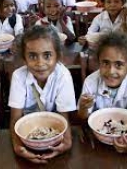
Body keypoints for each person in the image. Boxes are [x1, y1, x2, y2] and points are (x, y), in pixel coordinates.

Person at [8, 25, 76, 164]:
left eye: (47, 55)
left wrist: (67, 143)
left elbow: (64, 115)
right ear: (24, 58)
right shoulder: (19, 76)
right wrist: (18, 146)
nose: (40, 63)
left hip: (54, 134)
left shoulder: (63, 75)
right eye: (32, 56)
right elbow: (15, 117)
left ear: (57, 56)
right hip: (27, 134)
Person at [78, 32, 127, 153]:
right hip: (97, 138)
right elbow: (83, 117)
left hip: (125, 137)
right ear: (98, 62)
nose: (111, 71)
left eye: (118, 65)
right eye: (105, 63)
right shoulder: (91, 82)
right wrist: (83, 107)